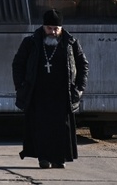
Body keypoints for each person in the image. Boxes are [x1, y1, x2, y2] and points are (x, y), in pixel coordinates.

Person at [12, 9, 89, 169]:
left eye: (56, 29)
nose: (53, 32)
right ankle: (43, 158)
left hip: (62, 93)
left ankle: (59, 159)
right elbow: (18, 64)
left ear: (61, 28)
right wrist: (20, 86)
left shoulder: (71, 43)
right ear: (43, 27)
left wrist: (80, 88)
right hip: (38, 92)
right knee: (41, 127)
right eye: (49, 28)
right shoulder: (31, 42)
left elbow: (83, 65)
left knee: (61, 128)